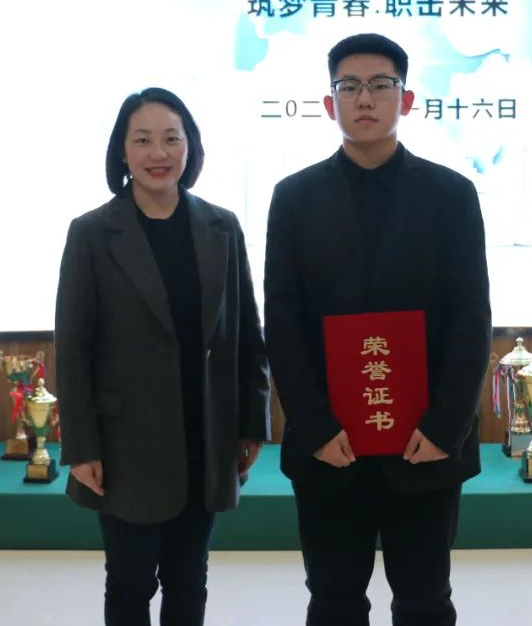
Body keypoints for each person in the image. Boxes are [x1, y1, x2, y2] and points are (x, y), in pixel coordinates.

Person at [264, 33, 492, 626]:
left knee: (424, 600)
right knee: (333, 600)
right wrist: (315, 427)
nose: (364, 98)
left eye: (380, 85)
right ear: (329, 103)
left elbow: (471, 320)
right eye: (349, 86)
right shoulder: (294, 198)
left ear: (406, 99)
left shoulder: (452, 195)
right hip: (329, 447)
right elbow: (283, 323)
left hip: (424, 444)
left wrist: (443, 427)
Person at [56, 87, 271, 626]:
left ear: (190, 147)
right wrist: (81, 446)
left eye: (172, 139)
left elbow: (247, 333)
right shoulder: (91, 233)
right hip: (124, 446)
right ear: (122, 151)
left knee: (189, 579)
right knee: (130, 582)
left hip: (205, 437)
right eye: (143, 140)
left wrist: (252, 422)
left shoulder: (222, 227)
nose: (159, 153)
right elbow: (74, 349)